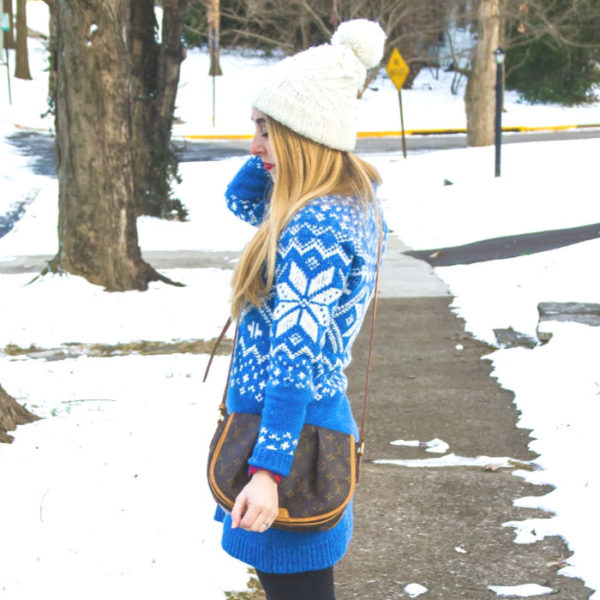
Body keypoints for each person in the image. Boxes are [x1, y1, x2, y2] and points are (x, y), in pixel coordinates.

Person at [215, 19, 388, 600]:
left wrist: (268, 472)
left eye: (265, 132)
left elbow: (296, 355)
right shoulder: (339, 202)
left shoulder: (314, 224)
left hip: (290, 437)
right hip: (296, 430)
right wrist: (281, 153)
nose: (253, 144)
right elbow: (241, 200)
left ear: (301, 135)